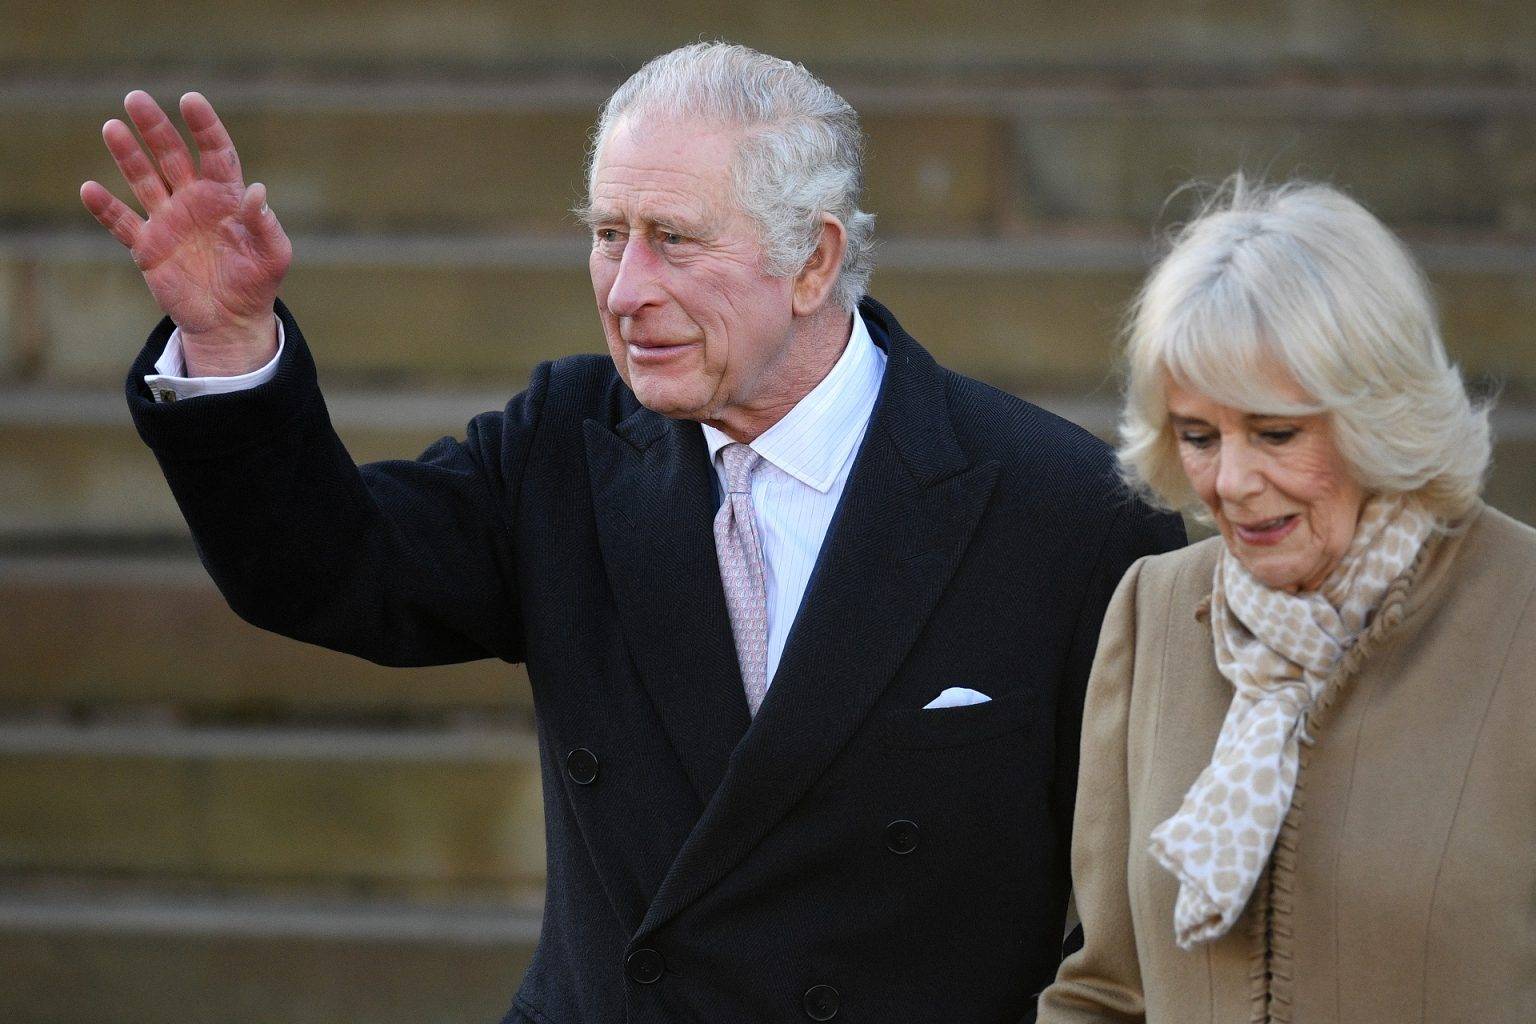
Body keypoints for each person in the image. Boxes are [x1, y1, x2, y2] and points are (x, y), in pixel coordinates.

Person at [83, 43, 1185, 1022]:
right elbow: (333, 569)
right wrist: (229, 344)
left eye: (673, 240)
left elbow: (1145, 901)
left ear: (812, 262)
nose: (625, 290)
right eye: (609, 236)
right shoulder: (564, 445)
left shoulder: (1067, 509)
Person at [1035, 177, 1536, 1023]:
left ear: (1381, 414)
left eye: (1275, 433)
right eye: (1198, 436)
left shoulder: (1521, 612)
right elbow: (1105, 990)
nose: (1231, 481)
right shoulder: (1154, 611)